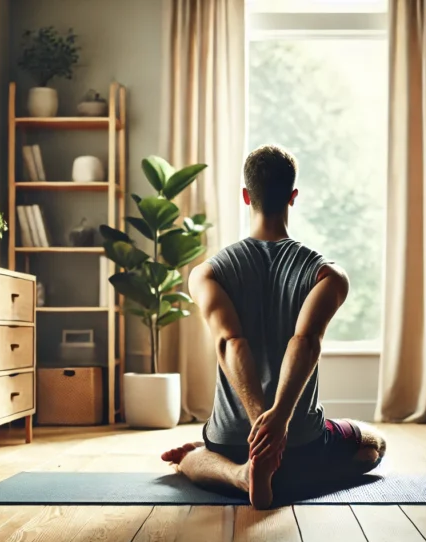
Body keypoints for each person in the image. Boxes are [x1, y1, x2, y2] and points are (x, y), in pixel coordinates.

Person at [160, 145, 386, 509]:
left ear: (246, 196)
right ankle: (288, 472)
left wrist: (258, 431)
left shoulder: (206, 274)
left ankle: (236, 472)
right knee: (374, 445)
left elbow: (231, 343)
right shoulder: (328, 275)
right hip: (299, 439)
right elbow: (306, 341)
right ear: (293, 197)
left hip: (231, 437)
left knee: (187, 461)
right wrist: (276, 424)